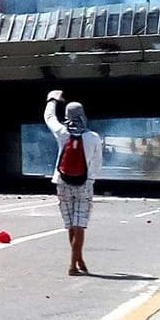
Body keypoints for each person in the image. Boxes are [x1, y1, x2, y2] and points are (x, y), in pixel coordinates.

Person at [44, 90, 103, 276]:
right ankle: (73, 263)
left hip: (62, 181)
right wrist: (90, 178)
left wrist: (53, 98)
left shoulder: (62, 132)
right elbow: (97, 163)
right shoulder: (93, 137)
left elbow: (49, 116)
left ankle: (77, 260)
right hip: (84, 183)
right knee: (80, 225)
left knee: (70, 224)